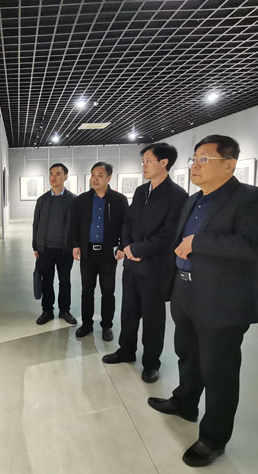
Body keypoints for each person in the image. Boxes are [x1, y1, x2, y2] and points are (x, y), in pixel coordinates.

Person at [147, 135, 258, 467]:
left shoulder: (252, 198)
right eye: (194, 159)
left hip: (223, 300)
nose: (196, 165)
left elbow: (252, 245)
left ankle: (213, 438)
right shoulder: (193, 200)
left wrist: (198, 242)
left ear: (229, 165)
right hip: (185, 292)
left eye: (204, 159)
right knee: (187, 355)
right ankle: (185, 402)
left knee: (219, 371)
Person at [102, 143, 187, 383]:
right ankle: (126, 350)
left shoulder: (177, 196)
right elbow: (128, 221)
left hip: (155, 268)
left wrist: (138, 249)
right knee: (128, 312)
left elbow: (169, 233)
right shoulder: (141, 191)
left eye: (148, 161)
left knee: (153, 318)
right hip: (131, 265)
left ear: (164, 163)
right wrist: (127, 247)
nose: (144, 166)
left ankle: (151, 363)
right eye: (143, 161)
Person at [70, 162, 128, 341]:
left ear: (109, 178)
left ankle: (106, 325)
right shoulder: (82, 200)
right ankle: (87, 324)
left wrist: (122, 246)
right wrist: (76, 245)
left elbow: (126, 225)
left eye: (100, 175)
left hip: (108, 254)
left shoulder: (119, 200)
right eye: (93, 174)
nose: (95, 179)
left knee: (108, 291)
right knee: (87, 290)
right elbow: (75, 224)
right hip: (87, 252)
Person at [32, 163, 77, 325]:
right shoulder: (42, 200)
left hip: (65, 249)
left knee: (65, 281)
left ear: (65, 177)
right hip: (45, 249)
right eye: (51, 173)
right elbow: (36, 224)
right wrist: (35, 246)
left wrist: (75, 246)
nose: (54, 177)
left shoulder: (73, 200)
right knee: (47, 281)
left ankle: (65, 310)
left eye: (58, 174)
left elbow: (77, 226)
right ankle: (47, 311)